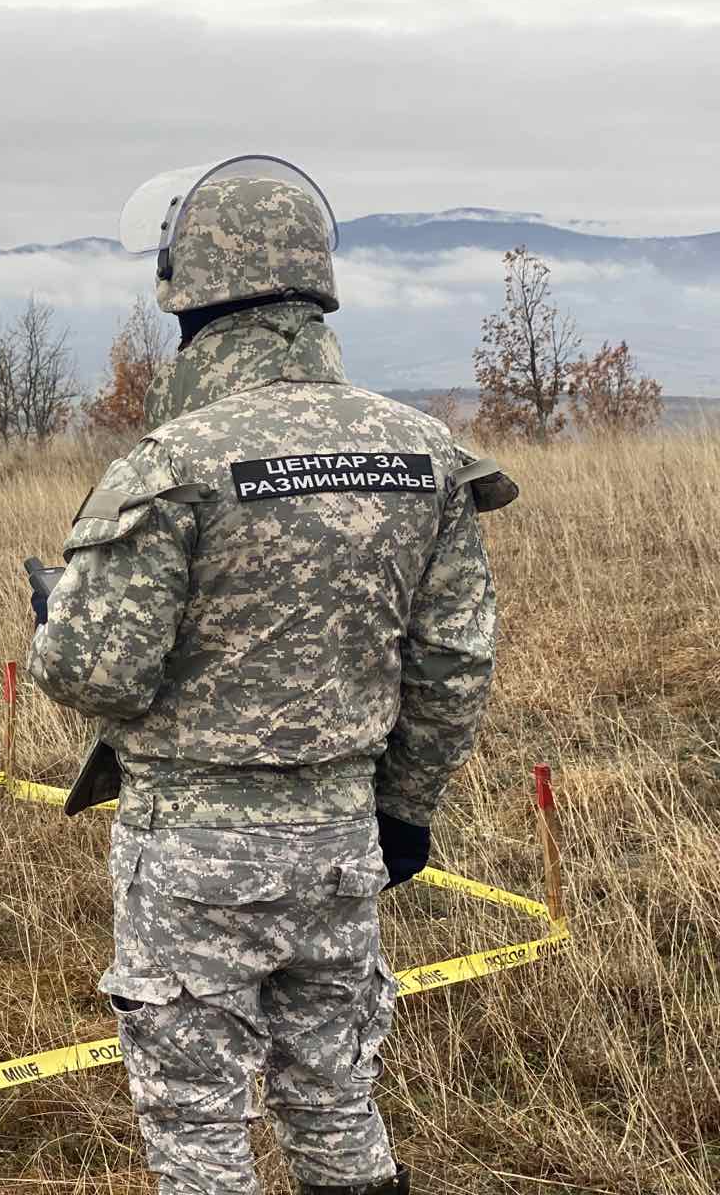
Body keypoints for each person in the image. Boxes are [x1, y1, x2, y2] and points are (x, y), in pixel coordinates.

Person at [28, 156, 514, 1195]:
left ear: (188, 291)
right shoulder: (423, 452)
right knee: (338, 1103)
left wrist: (55, 617)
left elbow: (94, 675)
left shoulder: (169, 462)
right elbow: (455, 660)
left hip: (192, 854)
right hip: (345, 840)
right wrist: (405, 809)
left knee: (200, 1132)